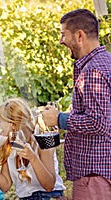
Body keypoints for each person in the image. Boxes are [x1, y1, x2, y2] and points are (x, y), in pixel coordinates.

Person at [42, 9, 111, 199]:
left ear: (79, 35)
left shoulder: (93, 71)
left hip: (94, 176)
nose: (60, 40)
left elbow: (98, 122)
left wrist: (59, 119)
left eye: (64, 34)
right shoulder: (106, 62)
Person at [0, 97, 65, 200]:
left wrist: (33, 158)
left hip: (48, 196)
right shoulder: (9, 144)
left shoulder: (43, 140)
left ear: (12, 125)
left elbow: (49, 186)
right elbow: (5, 186)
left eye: (0, 121)